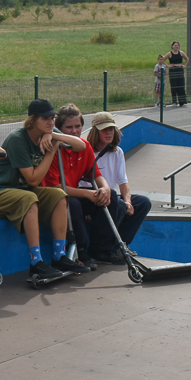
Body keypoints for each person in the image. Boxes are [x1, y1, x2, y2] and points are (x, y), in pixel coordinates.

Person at [0, 99, 91, 280]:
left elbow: (81, 145)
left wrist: (55, 136)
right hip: (1, 190)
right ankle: (36, 262)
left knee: (59, 195)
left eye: (52, 118)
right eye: (45, 119)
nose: (51, 122)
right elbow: (33, 179)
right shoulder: (17, 139)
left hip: (24, 190)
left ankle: (59, 256)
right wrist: (52, 149)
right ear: (33, 120)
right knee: (29, 199)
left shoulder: (49, 132)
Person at [41, 104, 116, 267]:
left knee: (112, 198)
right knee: (73, 204)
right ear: (59, 129)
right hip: (54, 197)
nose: (75, 131)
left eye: (78, 126)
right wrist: (88, 194)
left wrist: (105, 188)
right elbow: (56, 187)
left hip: (73, 193)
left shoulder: (84, 146)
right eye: (69, 127)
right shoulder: (53, 149)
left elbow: (94, 174)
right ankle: (82, 252)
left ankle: (100, 250)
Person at [85, 112, 152, 257]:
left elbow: (123, 182)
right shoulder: (87, 152)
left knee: (143, 202)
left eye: (111, 129)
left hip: (113, 198)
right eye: (104, 129)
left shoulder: (117, 152)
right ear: (95, 131)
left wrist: (128, 201)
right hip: (96, 197)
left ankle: (122, 244)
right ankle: (105, 248)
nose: (109, 133)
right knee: (116, 201)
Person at [164, 41, 189, 107]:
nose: (176, 46)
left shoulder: (181, 53)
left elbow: (187, 59)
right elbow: (163, 60)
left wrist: (184, 65)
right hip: (173, 70)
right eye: (175, 45)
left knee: (181, 85)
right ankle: (174, 101)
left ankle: (182, 101)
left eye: (177, 45)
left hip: (180, 69)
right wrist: (168, 66)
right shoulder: (169, 54)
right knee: (174, 86)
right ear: (172, 46)